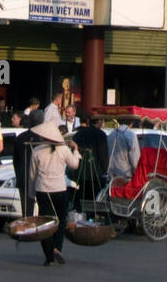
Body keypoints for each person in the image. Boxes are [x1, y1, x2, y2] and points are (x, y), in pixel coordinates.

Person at [29, 120, 80, 266]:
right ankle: (57, 247)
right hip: (59, 190)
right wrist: (76, 150)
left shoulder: (37, 151)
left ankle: (49, 256)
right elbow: (75, 165)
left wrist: (31, 194)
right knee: (60, 220)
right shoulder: (63, 149)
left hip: (43, 191)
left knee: (45, 223)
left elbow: (32, 175)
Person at [13, 111, 46, 215]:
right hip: (43, 177)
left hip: (25, 176)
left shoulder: (21, 137)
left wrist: (19, 175)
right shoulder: (45, 138)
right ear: (42, 121)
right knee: (45, 208)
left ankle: (28, 228)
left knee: (27, 210)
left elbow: (16, 161)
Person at [70, 113, 109, 186]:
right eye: (102, 121)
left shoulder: (78, 134)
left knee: (80, 195)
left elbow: (73, 151)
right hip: (95, 174)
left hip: (80, 172)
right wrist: (105, 169)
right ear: (99, 121)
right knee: (94, 196)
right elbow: (103, 156)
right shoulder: (101, 135)